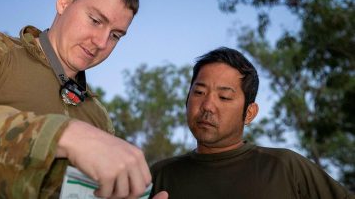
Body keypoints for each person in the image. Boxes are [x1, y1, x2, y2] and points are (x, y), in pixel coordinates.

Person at [0, 0, 167, 198]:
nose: (101, 42)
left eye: (115, 35)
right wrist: (64, 134)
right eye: (96, 21)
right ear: (64, 2)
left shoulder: (98, 117)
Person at [149, 47, 355, 199]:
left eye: (224, 97)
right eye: (199, 92)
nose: (207, 106)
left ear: (249, 113)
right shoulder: (158, 177)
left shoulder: (285, 168)